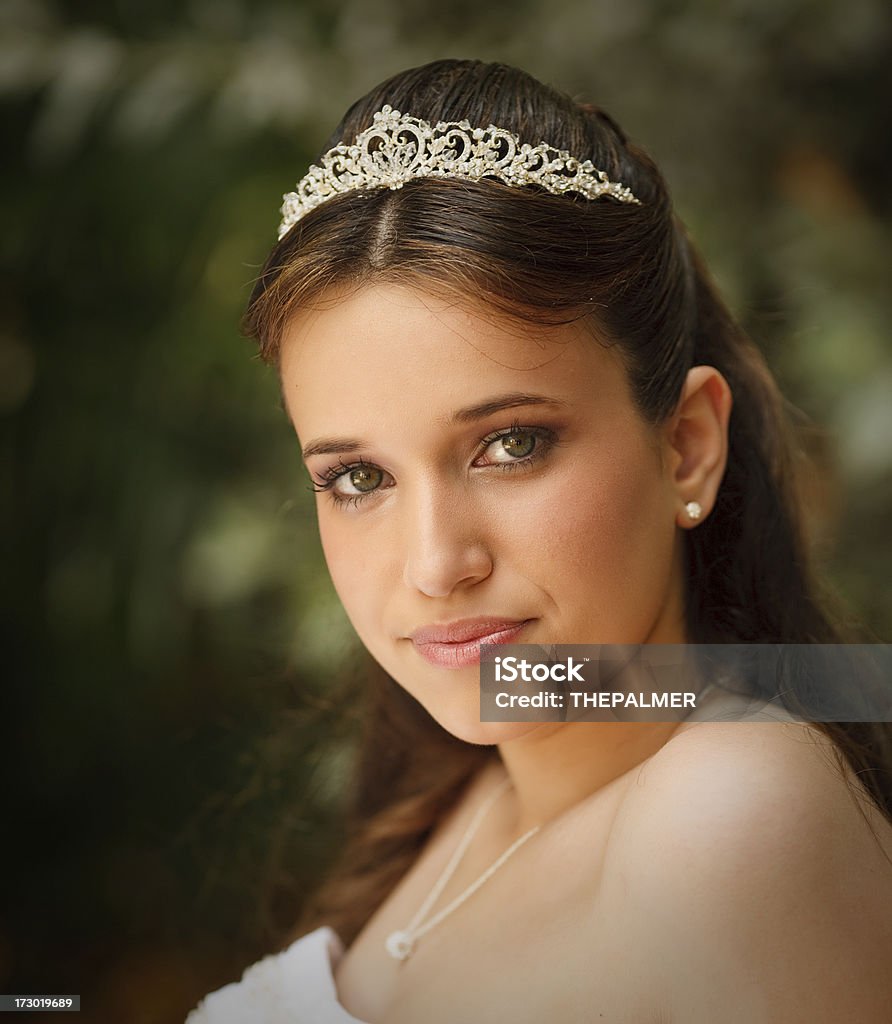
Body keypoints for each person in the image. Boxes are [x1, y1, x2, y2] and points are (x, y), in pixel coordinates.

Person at [186, 59, 892, 1023]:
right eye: (359, 479)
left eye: (509, 446)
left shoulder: (729, 816)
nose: (436, 565)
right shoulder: (453, 811)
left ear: (686, 447)